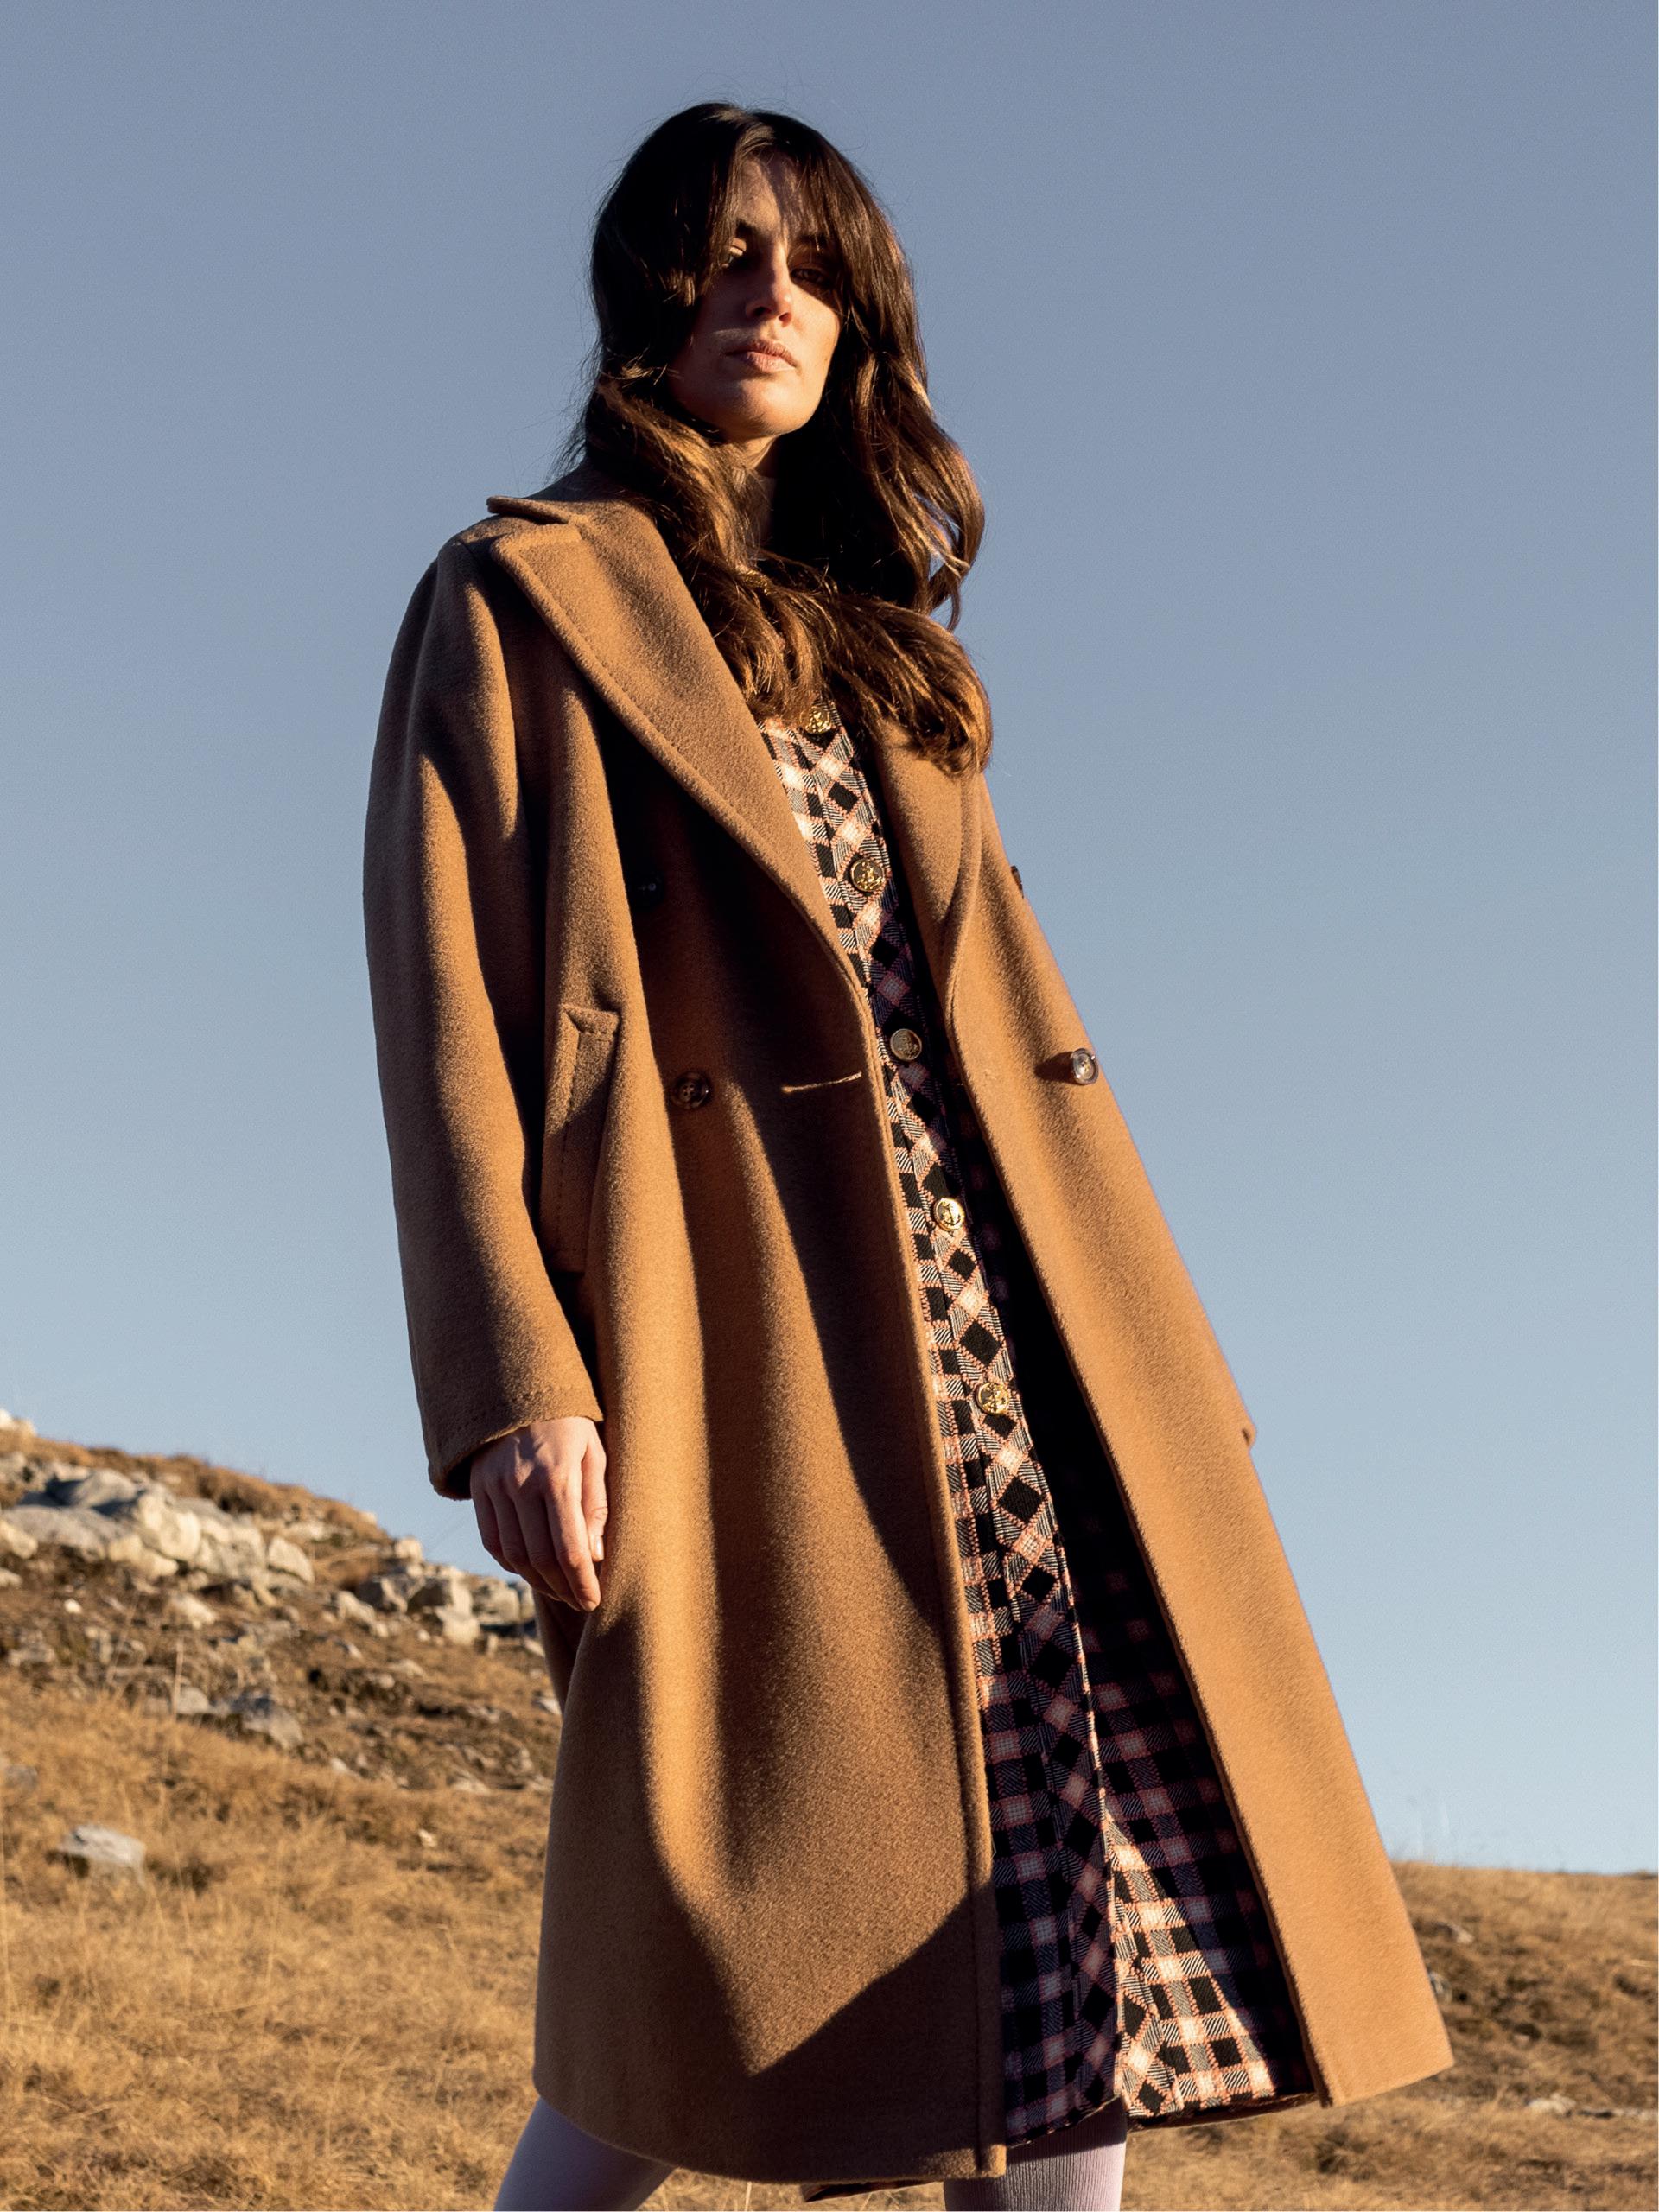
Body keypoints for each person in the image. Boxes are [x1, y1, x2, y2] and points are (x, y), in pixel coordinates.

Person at [362, 102, 1452, 2212]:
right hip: (738, 1327)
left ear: (863, 324)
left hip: (1022, 1350)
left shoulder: (896, 655)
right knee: (710, 1927)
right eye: (725, 252)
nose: (769, 296)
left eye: (813, 265)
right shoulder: (520, 593)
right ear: (647, 293)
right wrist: (512, 1378)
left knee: (1060, 1921)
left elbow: (1032, 1047)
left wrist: (1173, 1377)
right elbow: (446, 1019)